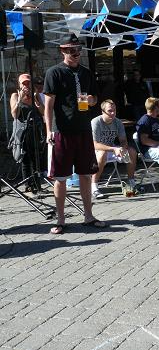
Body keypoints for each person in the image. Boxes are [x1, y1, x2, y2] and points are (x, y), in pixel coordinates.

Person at [44, 33, 106, 234]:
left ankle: (88, 216)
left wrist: (91, 101)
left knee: (86, 175)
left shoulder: (86, 73)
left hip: (84, 131)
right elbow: (49, 105)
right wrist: (48, 130)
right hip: (62, 132)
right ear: (62, 51)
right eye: (71, 50)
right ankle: (60, 220)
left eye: (78, 49)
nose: (76, 53)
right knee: (60, 177)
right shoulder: (54, 73)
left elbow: (96, 99)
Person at [91, 99, 138, 199]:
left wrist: (123, 148)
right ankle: (94, 186)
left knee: (132, 152)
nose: (112, 113)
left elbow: (123, 140)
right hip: (96, 150)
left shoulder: (118, 122)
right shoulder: (96, 122)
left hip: (112, 149)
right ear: (102, 111)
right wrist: (113, 149)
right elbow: (95, 144)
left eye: (114, 110)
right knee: (102, 154)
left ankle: (131, 182)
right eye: (109, 111)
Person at [9, 73, 45, 193]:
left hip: (35, 130)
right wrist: (20, 99)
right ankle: (28, 185)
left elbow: (43, 111)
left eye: (28, 83)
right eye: (23, 83)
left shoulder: (36, 95)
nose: (26, 86)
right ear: (19, 85)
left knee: (36, 158)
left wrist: (35, 99)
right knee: (25, 158)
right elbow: (14, 114)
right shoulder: (15, 95)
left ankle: (37, 184)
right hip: (22, 131)